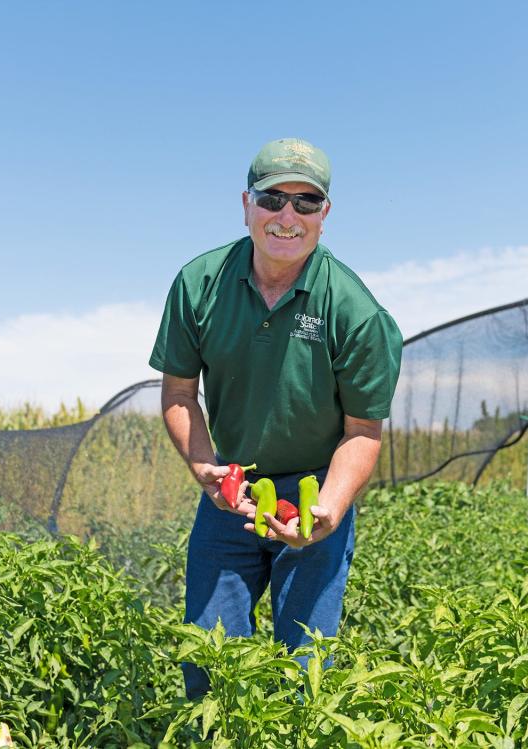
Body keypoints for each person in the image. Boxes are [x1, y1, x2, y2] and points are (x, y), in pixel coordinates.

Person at [149, 137, 403, 699]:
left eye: (305, 203)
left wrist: (330, 511)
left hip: (312, 492)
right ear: (246, 204)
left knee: (306, 670)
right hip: (230, 492)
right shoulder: (200, 284)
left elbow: (363, 433)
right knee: (210, 660)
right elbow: (178, 391)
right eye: (272, 199)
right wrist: (204, 467)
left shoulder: (355, 312)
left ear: (324, 215)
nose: (287, 216)